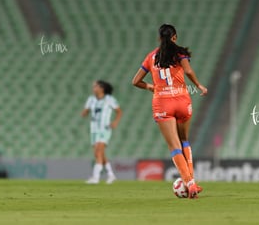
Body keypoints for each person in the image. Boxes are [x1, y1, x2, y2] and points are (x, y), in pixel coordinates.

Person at [132, 24, 208, 198]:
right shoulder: (180, 53)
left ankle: (189, 184)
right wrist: (199, 85)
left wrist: (151, 87)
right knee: (184, 141)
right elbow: (188, 70)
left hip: (162, 103)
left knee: (174, 147)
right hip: (182, 100)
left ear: (159, 39)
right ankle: (192, 181)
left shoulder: (151, 57)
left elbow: (135, 81)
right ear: (175, 37)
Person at [81, 80, 122, 184]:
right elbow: (85, 111)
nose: (93, 88)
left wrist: (115, 122)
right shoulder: (91, 100)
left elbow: (119, 111)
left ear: (102, 88)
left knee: (98, 152)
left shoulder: (109, 99)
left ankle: (96, 177)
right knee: (100, 154)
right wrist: (85, 112)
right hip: (94, 129)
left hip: (104, 128)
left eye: (95, 86)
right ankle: (111, 175)